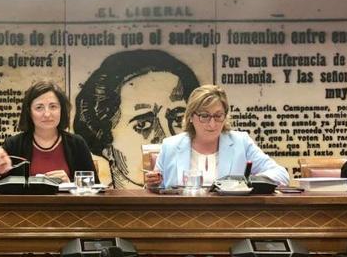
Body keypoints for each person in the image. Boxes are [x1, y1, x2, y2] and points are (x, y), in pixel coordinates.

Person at [74, 50, 200, 188]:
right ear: (106, 145)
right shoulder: (100, 207)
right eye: (143, 124)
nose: (166, 137)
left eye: (178, 119)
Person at [144, 84, 289, 188]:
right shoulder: (170, 146)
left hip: (230, 221)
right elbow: (157, 188)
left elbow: (281, 174)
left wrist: (246, 183)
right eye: (204, 116)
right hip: (182, 220)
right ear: (190, 117)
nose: (212, 124)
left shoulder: (241, 142)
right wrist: (153, 183)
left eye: (218, 116)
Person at [0, 80, 96, 188]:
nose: (47, 114)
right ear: (29, 112)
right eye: (39, 107)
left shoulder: (77, 144)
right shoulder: (14, 144)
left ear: (62, 110)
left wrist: (70, 184)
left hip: (66, 210)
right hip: (24, 209)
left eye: (53, 106)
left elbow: (95, 191)